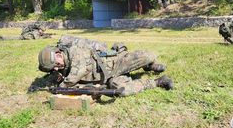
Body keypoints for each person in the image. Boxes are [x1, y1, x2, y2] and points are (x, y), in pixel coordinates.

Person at [38, 35, 173, 96]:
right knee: (123, 90)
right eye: (53, 68)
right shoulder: (61, 68)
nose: (56, 69)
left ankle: (149, 65)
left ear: (59, 54)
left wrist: (60, 87)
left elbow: (75, 75)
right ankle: (158, 82)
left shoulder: (74, 52)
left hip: (116, 63)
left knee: (146, 56)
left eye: (56, 65)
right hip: (108, 78)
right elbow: (53, 79)